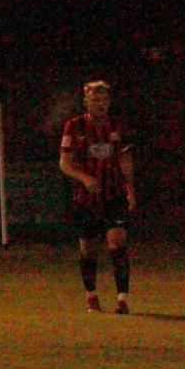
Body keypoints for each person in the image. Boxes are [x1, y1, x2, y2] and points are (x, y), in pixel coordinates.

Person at [59, 80, 136, 314]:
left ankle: (122, 300)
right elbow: (64, 163)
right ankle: (91, 295)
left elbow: (125, 160)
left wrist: (130, 189)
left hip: (114, 193)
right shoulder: (74, 126)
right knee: (88, 249)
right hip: (86, 197)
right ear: (87, 102)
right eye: (95, 100)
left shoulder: (117, 126)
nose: (100, 104)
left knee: (117, 242)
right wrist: (84, 178)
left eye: (104, 100)